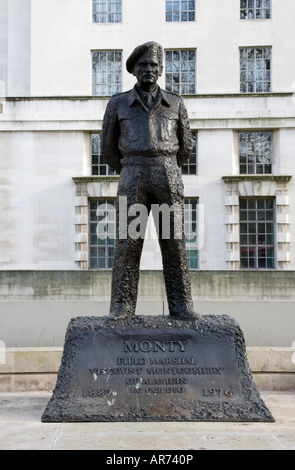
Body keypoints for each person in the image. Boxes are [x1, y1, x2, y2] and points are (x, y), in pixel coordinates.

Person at [101, 41, 198, 320]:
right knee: (127, 243)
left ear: (161, 70)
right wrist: (131, 164)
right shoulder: (118, 104)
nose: (149, 70)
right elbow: (108, 148)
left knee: (174, 242)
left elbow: (186, 146)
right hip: (132, 174)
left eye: (154, 65)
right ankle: (122, 307)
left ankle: (182, 307)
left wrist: (165, 163)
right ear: (134, 70)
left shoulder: (176, 103)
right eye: (143, 65)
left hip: (167, 173)